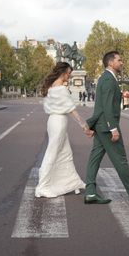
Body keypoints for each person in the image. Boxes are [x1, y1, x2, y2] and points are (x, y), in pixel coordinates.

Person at [85, 51, 129, 204]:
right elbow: (107, 107)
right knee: (120, 159)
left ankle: (90, 192)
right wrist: (113, 128)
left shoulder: (105, 78)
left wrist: (92, 124)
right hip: (107, 127)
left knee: (94, 159)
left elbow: (101, 105)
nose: (122, 63)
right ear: (110, 63)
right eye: (119, 60)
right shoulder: (109, 80)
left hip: (101, 126)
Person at [36, 62, 91, 198]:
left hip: (53, 121)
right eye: (68, 73)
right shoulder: (60, 88)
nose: (69, 76)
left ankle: (73, 182)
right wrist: (84, 126)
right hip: (58, 122)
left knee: (66, 153)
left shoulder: (52, 86)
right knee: (52, 153)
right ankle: (42, 187)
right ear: (63, 73)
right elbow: (72, 110)